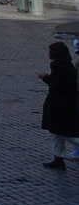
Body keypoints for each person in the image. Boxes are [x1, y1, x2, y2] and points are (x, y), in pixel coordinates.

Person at [38, 41, 79, 169]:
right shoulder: (61, 66)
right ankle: (58, 159)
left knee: (64, 133)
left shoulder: (65, 68)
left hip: (63, 106)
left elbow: (58, 85)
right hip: (59, 104)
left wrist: (45, 77)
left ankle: (59, 159)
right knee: (56, 133)